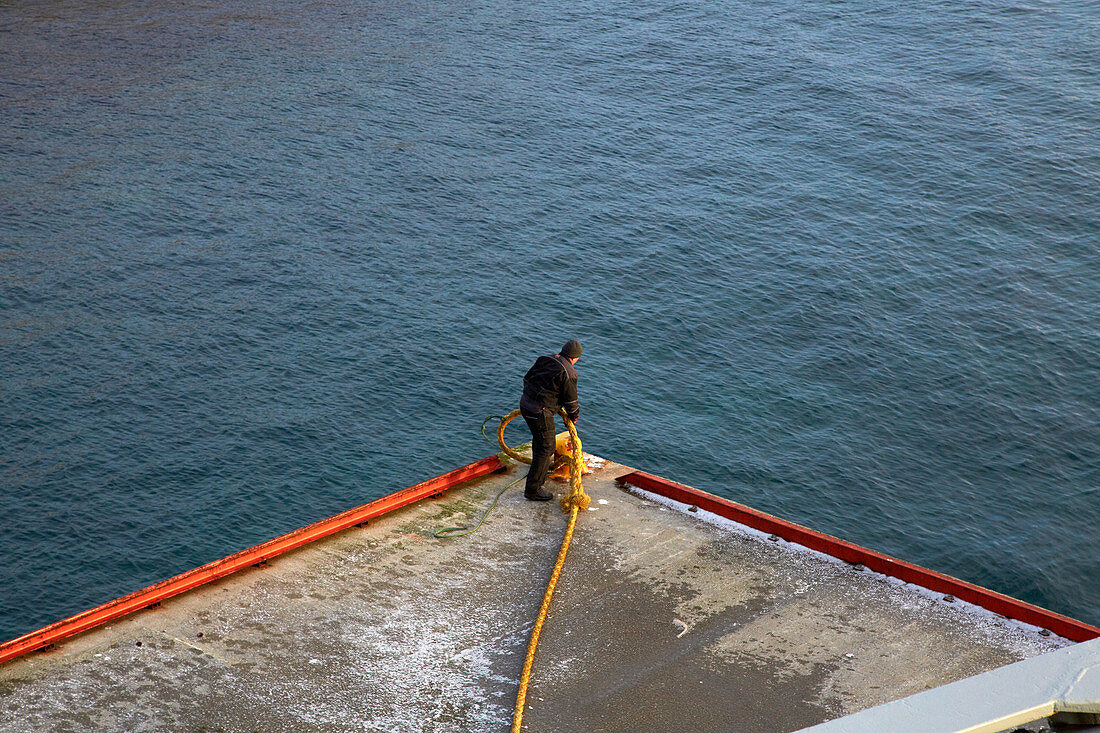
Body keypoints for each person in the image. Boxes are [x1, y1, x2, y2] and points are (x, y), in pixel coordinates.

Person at [519, 339, 582, 501]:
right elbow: (571, 402)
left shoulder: (544, 358)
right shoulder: (569, 373)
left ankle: (539, 471)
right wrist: (573, 416)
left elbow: (527, 378)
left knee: (540, 442)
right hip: (541, 412)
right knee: (547, 447)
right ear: (575, 358)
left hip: (525, 404)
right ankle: (533, 490)